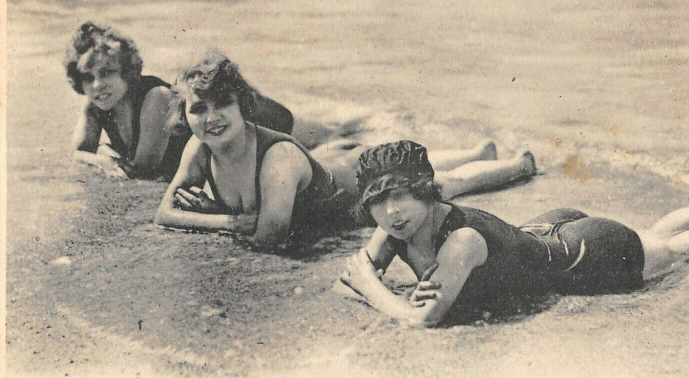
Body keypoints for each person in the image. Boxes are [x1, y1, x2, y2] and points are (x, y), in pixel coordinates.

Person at [339, 141, 689, 327]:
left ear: (426, 193)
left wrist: (371, 288)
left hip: (585, 252)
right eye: (378, 201)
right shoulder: (400, 226)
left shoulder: (461, 241)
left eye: (401, 197)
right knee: (654, 238)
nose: (391, 212)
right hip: (541, 236)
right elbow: (352, 280)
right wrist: (364, 281)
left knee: (673, 251)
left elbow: (419, 318)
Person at [154, 53, 537, 250]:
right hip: (332, 162)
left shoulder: (275, 160)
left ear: (243, 105)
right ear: (183, 114)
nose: (212, 118)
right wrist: (224, 221)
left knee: (443, 185)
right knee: (414, 162)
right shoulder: (199, 148)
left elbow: (269, 237)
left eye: (222, 104)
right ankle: (475, 149)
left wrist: (214, 213)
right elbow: (164, 213)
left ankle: (517, 166)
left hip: (354, 186)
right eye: (198, 109)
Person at [64, 22, 293, 179]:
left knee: (320, 138)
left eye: (106, 73)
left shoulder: (155, 98)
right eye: (87, 77)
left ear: (125, 70)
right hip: (225, 135)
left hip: (265, 120)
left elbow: (142, 172)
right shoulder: (97, 104)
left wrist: (105, 154)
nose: (96, 85)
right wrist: (104, 161)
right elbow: (79, 153)